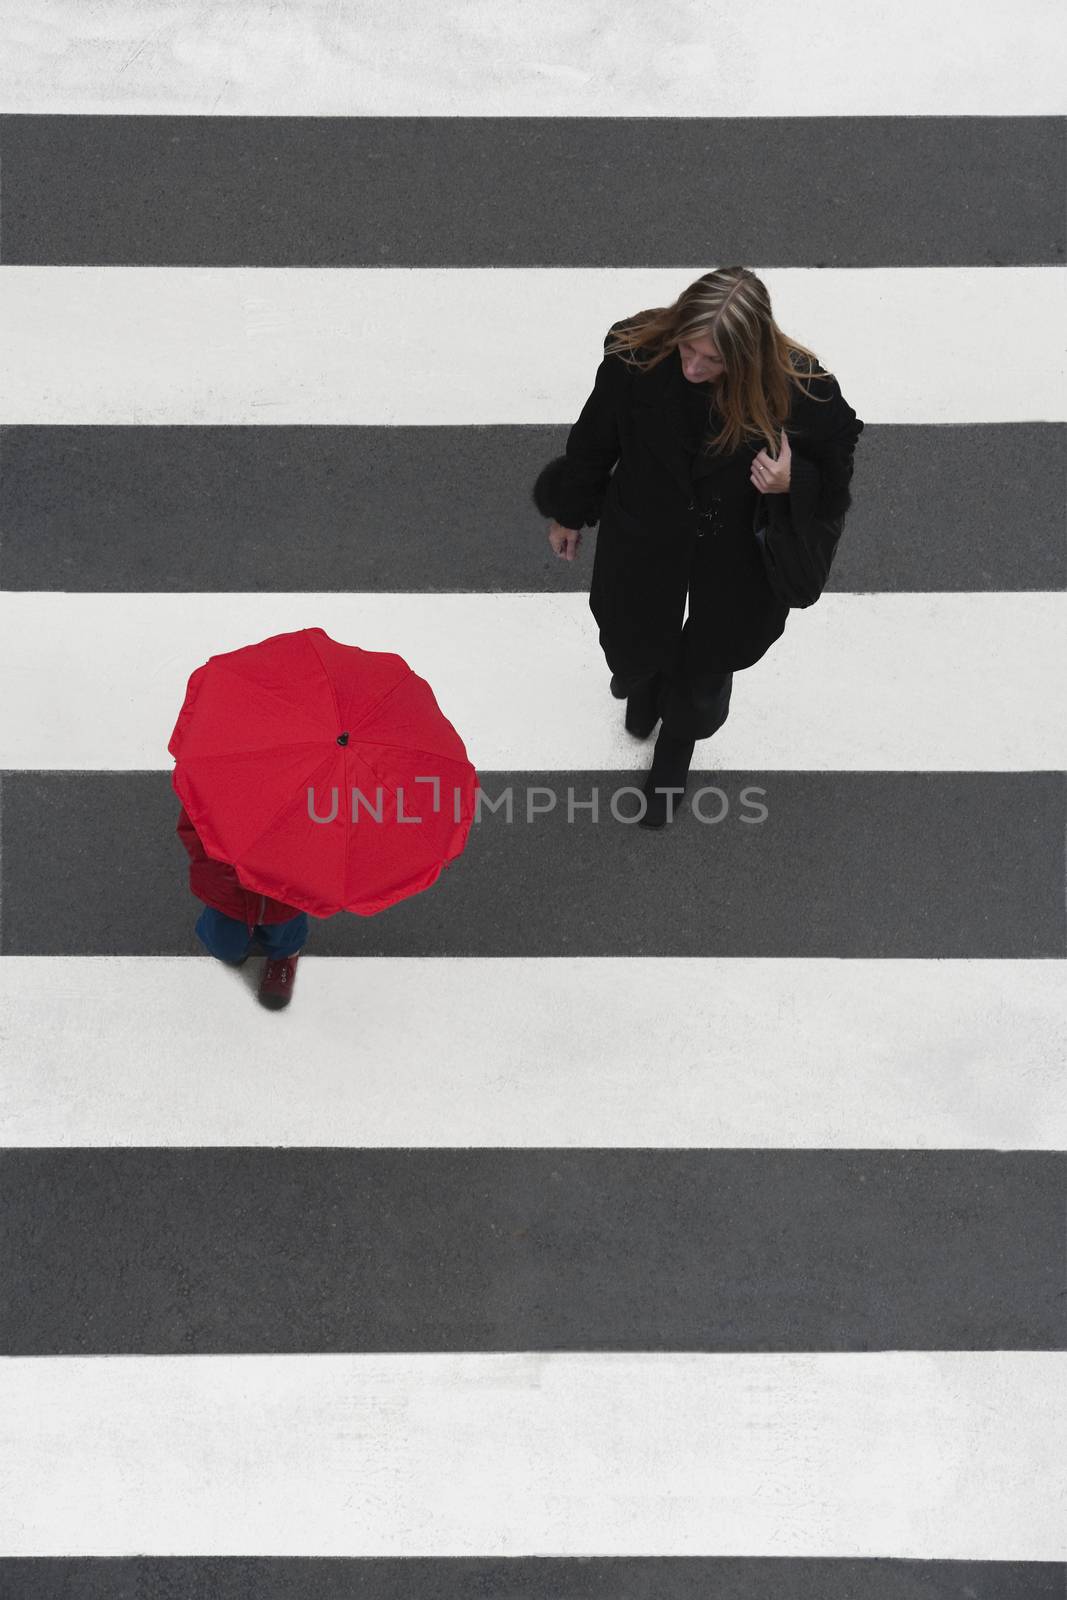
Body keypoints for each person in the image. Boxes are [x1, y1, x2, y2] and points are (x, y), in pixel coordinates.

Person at [533, 266, 864, 827]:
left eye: (711, 360)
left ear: (749, 354)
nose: (692, 368)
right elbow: (595, 438)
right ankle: (644, 684)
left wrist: (794, 482)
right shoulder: (634, 355)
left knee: (709, 662)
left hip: (734, 551)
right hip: (644, 530)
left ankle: (674, 753)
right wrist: (570, 512)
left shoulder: (796, 387)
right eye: (688, 348)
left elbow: (838, 457)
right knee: (629, 634)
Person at [176, 804, 309, 1009]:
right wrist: (215, 865)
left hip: (283, 891)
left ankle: (285, 954)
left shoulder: (310, 792)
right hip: (229, 888)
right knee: (224, 943)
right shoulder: (218, 780)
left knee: (284, 930)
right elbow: (193, 824)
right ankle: (242, 946)